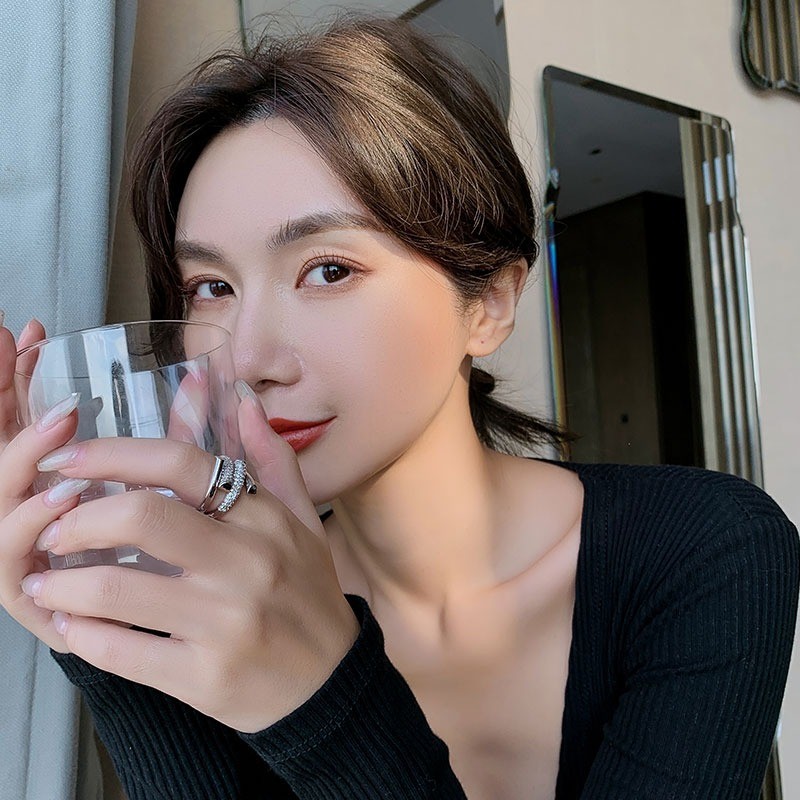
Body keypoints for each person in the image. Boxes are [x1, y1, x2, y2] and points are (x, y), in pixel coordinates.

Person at [0, 14, 797, 800]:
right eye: (211, 287)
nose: (246, 360)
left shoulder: (705, 550)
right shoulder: (224, 588)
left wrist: (321, 697)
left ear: (488, 301)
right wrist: (112, 637)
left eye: (328, 270)